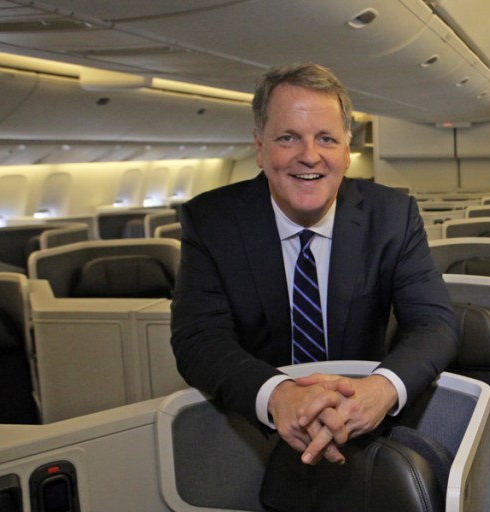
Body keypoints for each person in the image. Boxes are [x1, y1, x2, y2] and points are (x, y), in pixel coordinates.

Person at [170, 63, 458, 505]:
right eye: (288, 137)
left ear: (347, 150)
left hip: (368, 439)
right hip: (256, 438)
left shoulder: (391, 216)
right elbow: (198, 338)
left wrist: (380, 391)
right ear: (260, 148)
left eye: (326, 138)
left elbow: (434, 324)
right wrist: (276, 395)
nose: (309, 155)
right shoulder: (212, 221)